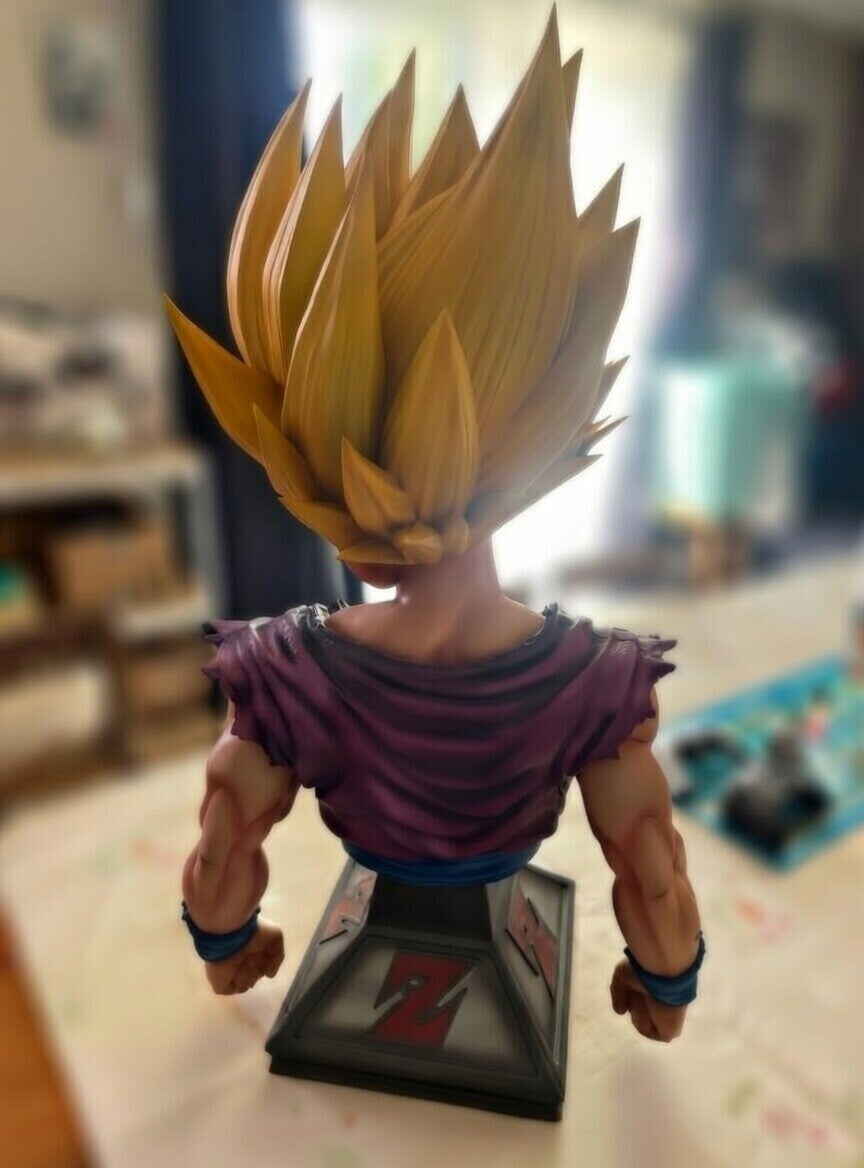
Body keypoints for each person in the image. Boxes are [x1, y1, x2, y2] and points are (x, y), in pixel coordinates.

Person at [168, 9, 704, 1053]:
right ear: (542, 419)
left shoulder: (290, 670)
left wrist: (225, 946)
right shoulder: (588, 679)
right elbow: (650, 860)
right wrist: (667, 988)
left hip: (376, 913)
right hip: (499, 913)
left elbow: (225, 833)